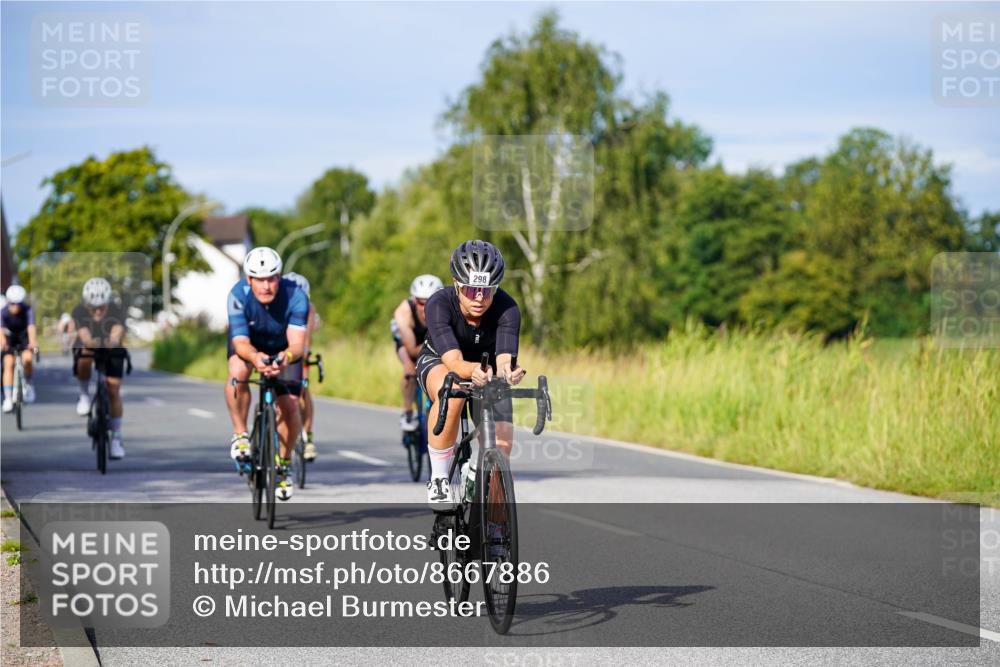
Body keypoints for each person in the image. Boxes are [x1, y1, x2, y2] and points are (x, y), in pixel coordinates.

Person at [416, 241, 525, 508]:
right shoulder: (439, 303)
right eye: (472, 289)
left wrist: (507, 372)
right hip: (441, 361)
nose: (479, 298)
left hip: (486, 369)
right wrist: (473, 371)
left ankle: (497, 532)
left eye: (487, 291)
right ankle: (440, 477)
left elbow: (503, 358)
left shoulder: (507, 308)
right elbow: (453, 361)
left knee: (502, 449)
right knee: (452, 390)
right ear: (456, 283)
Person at [226, 247, 308, 501]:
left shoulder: (296, 295)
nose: (266, 286)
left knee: (291, 407)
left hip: (284, 350)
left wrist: (285, 358)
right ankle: (240, 434)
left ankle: (283, 466)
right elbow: (239, 343)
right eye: (259, 279)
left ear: (280, 277)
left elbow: (297, 344)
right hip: (250, 346)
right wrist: (256, 358)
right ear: (249, 280)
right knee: (239, 371)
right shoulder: (238, 295)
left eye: (271, 278)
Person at [72, 278, 128, 459]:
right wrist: (92, 343)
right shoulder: (79, 311)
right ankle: (84, 395)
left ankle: (117, 439)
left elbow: (117, 333)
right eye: (93, 307)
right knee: (84, 353)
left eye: (101, 307)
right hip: (90, 344)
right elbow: (85, 336)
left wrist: (111, 342)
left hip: (111, 346)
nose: (97, 311)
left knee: (113, 390)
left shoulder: (116, 309)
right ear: (86, 304)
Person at [392, 274, 444, 432]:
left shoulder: (446, 309)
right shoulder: (403, 312)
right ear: (414, 301)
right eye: (421, 303)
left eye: (431, 302)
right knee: (409, 368)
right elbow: (412, 349)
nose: (426, 307)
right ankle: (407, 412)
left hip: (434, 340)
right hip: (409, 343)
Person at [283, 271, 320, 462]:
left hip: (298, 350)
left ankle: (308, 435)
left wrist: (303, 352)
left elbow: (305, 337)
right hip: (280, 348)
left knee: (303, 387)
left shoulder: (308, 307)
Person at [1, 285, 38, 412]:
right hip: (9, 338)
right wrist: (3, 344)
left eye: (18, 304)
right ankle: (7, 398)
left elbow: (31, 327)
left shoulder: (28, 310)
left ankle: (29, 384)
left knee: (27, 359)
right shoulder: (3, 312)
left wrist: (33, 342)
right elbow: (0, 330)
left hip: (23, 337)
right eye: (12, 303)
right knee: (8, 363)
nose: (14, 306)